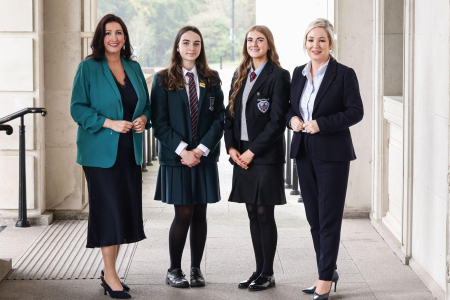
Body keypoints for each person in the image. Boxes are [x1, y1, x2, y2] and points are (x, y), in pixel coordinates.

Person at [70, 14, 151, 299]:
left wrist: (142, 118)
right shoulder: (88, 68)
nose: (113, 38)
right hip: (99, 154)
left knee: (122, 212)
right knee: (108, 212)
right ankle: (111, 276)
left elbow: (147, 105)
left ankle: (109, 271)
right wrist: (109, 122)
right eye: (108, 33)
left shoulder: (134, 67)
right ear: (100, 38)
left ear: (125, 37)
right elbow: (77, 109)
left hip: (130, 152)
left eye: (118, 33)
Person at [287, 18, 364, 300]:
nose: (315, 45)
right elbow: (288, 108)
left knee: (329, 217)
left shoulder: (344, 74)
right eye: (310, 40)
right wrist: (293, 119)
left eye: (321, 40)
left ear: (330, 44)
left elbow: (356, 112)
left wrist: (322, 123)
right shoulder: (298, 74)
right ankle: (327, 269)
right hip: (304, 153)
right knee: (313, 218)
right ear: (305, 43)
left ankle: (323, 280)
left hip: (333, 155)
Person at [151, 26, 224, 289]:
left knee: (200, 213)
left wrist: (201, 149)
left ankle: (195, 269)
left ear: (201, 47)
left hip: (203, 156)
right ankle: (174, 269)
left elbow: (219, 118)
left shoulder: (212, 79)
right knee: (183, 213)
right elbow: (159, 123)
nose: (191, 48)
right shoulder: (162, 79)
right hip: (176, 158)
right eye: (186, 42)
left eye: (196, 43)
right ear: (177, 46)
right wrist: (183, 150)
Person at [224, 25, 290, 291]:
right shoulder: (240, 74)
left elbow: (277, 122)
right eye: (250, 40)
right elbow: (227, 116)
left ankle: (269, 273)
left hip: (265, 154)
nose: (254, 44)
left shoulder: (279, 76)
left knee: (264, 212)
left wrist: (253, 151)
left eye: (259, 40)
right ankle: (258, 269)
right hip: (241, 153)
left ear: (269, 44)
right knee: (252, 212)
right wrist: (231, 149)